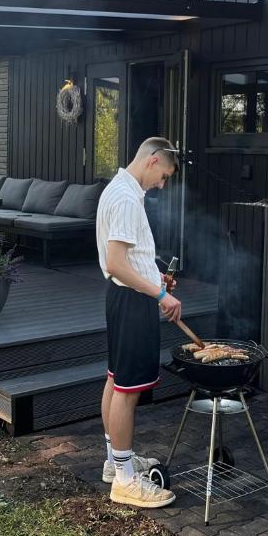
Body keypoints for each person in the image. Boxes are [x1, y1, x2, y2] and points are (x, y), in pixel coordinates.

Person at [96, 137, 182, 508]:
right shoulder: (127, 198)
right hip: (131, 302)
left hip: (125, 296)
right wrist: (161, 295)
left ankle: (115, 462)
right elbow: (116, 263)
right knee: (128, 389)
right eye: (163, 175)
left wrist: (154, 276)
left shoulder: (120, 190)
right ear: (152, 160)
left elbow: (127, 260)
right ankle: (127, 482)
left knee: (116, 380)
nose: (162, 184)